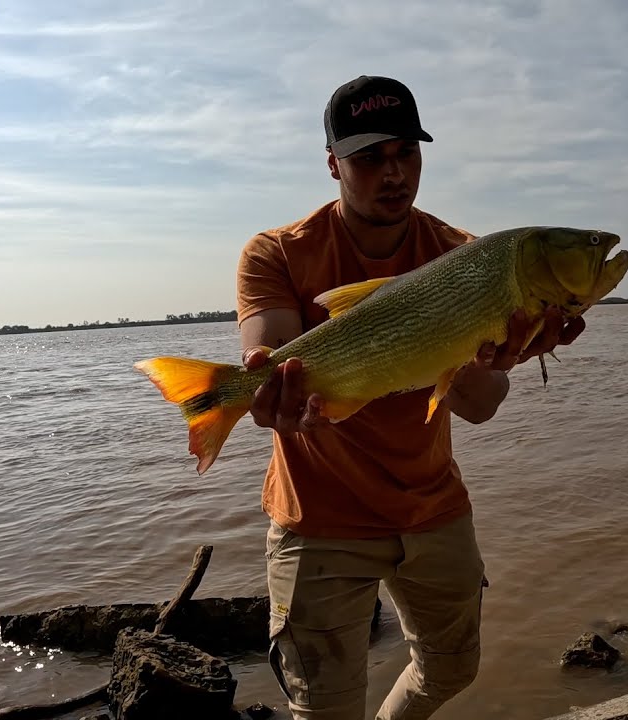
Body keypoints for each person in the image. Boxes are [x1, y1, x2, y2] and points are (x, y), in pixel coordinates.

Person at [234, 75, 587, 720]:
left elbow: (477, 405)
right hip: (319, 517)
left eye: (406, 153)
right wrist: (261, 394)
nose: (392, 174)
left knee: (454, 668)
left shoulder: (467, 258)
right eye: (370, 158)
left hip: (433, 507)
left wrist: (495, 358)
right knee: (324, 712)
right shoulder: (277, 253)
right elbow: (270, 359)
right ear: (333, 162)